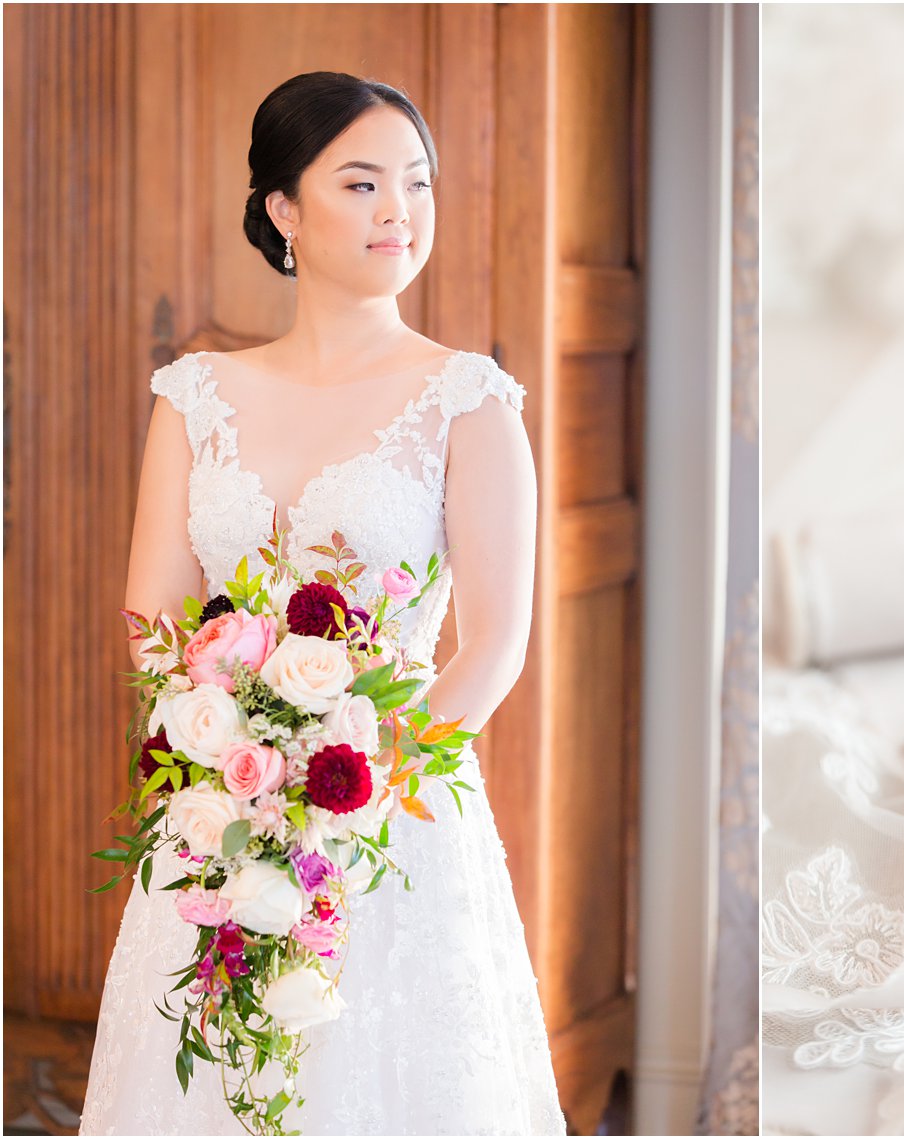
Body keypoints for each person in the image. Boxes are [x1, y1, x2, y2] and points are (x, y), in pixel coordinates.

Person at [78, 71, 566, 1135]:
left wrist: (347, 797)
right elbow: (154, 617)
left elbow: (494, 644)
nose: (399, 211)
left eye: (416, 184)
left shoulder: (466, 399)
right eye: (361, 183)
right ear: (283, 210)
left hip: (395, 816)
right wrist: (232, 768)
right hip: (219, 811)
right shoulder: (195, 394)